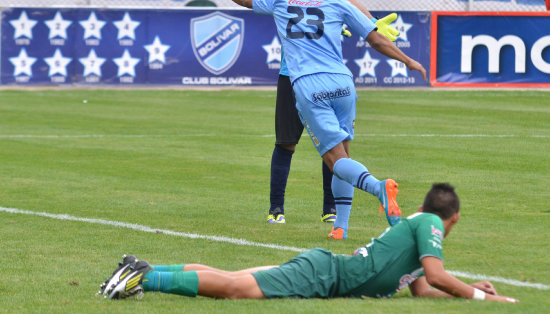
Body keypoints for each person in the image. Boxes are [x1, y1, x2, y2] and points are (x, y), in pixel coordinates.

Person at [205, 0, 426, 239]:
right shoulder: (335, 1)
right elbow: (375, 38)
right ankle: (340, 228)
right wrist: (407, 61)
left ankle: (377, 187)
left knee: (335, 161)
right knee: (344, 156)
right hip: (344, 84)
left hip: (311, 86)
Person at [98, 183, 519, 304]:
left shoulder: (417, 229)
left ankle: (143, 270)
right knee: (234, 288)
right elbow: (436, 274)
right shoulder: (429, 220)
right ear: (452, 219)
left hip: (327, 271)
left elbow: (424, 286)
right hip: (326, 275)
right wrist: (488, 301)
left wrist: (469, 291)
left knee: (232, 278)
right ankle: (145, 281)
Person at [267, 0, 400, 226]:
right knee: (286, 143)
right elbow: (292, 9)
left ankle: (330, 209)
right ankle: (276, 208)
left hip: (325, 75)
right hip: (294, 75)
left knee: (334, 145)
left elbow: (351, 5)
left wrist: (373, 22)